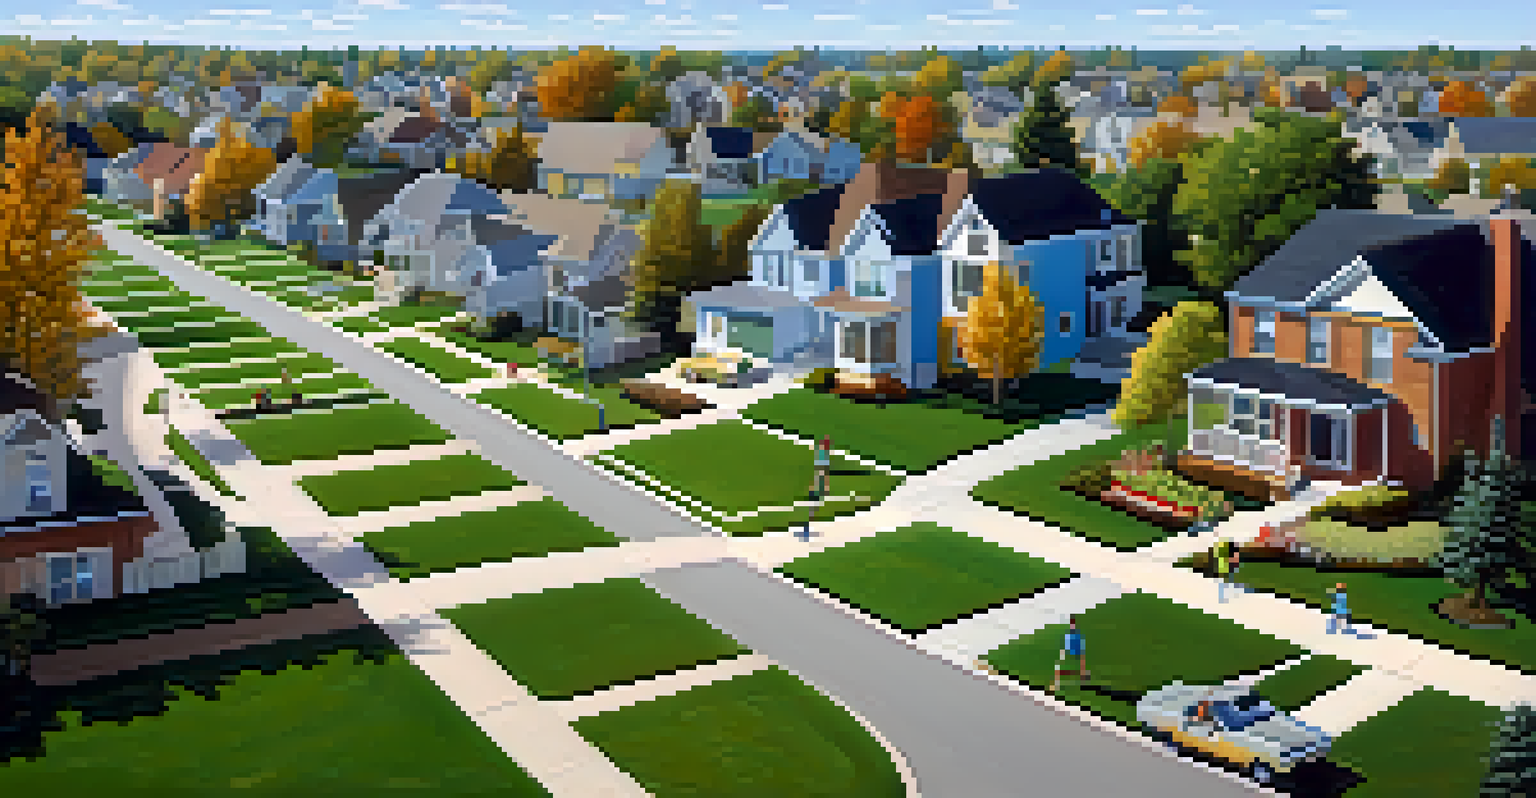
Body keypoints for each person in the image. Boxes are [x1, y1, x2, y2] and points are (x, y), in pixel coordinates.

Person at [801, 437, 833, 541]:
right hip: (817, 487)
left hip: (817, 486)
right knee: (812, 508)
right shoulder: (822, 459)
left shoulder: (821, 457)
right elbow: (822, 473)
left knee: (812, 508)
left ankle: (806, 529)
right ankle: (805, 530)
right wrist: (824, 487)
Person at [1051, 616, 1090, 692]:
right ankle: (1083, 679)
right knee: (1059, 669)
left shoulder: (1074, 635)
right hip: (1072, 653)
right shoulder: (1071, 635)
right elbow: (1068, 645)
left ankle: (1083, 679)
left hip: (1073, 653)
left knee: (1060, 669)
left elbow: (1076, 646)